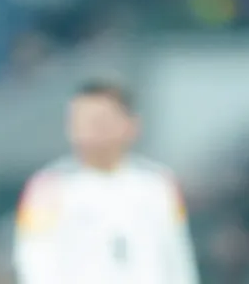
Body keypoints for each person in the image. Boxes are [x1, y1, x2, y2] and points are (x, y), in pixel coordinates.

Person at [13, 80, 199, 284]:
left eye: (99, 120)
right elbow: (35, 259)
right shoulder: (48, 187)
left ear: (130, 124)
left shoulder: (158, 184)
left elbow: (176, 255)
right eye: (79, 121)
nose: (88, 130)